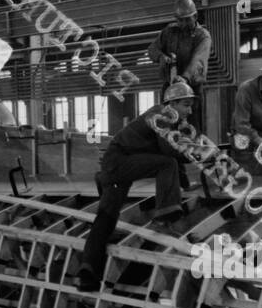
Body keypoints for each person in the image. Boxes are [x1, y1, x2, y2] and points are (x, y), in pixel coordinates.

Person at [76, 81, 197, 292]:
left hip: (115, 166)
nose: (190, 110)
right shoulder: (164, 114)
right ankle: (164, 218)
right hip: (120, 163)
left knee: (105, 220)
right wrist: (194, 154)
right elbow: (168, 152)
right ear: (173, 103)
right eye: (186, 105)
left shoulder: (165, 118)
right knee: (166, 163)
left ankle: (87, 274)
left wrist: (186, 184)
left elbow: (166, 153)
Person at [147, 0, 212, 121]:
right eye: (179, 20)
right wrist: (161, 56)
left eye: (187, 20)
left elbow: (198, 61)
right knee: (167, 126)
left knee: (190, 128)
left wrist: (185, 77)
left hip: (191, 91)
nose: (183, 24)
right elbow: (152, 49)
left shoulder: (202, 36)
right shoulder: (169, 32)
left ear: (195, 16)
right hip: (169, 90)